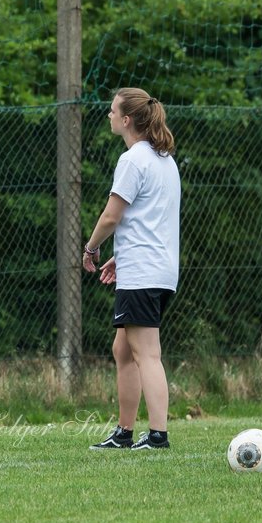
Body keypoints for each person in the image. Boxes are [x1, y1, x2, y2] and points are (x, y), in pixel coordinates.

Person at [83, 87, 180, 451]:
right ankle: (124, 433)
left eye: (112, 111)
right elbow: (151, 222)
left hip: (143, 274)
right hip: (160, 270)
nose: (108, 116)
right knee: (123, 350)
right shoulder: (164, 160)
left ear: (126, 120)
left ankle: (157, 436)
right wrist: (121, 257)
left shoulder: (133, 160)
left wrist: (92, 248)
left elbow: (112, 216)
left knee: (146, 354)